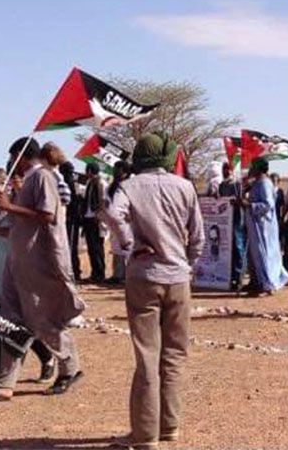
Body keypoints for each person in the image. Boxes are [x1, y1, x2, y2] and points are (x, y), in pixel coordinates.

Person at [107, 133, 204, 450]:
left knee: (148, 356)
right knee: (174, 356)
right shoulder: (185, 186)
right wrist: (186, 264)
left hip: (144, 278)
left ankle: (145, 435)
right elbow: (198, 237)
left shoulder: (130, 186)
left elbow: (113, 214)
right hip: (178, 279)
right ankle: (169, 426)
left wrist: (130, 245)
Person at [0, 139, 84, 401]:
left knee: (42, 318)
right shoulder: (27, 181)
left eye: (14, 157)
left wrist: (10, 206)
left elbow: (47, 215)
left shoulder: (42, 177)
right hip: (17, 261)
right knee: (10, 322)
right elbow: (20, 224)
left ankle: (70, 368)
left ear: (22, 155)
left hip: (36, 261)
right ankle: (5, 381)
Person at [0, 170, 56, 395]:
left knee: (19, 325)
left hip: (19, 269)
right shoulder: (3, 204)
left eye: (19, 180)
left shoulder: (27, 208)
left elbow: (22, 233)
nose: (14, 184)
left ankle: (46, 357)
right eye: (12, 180)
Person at [243, 159, 288, 296]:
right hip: (255, 225)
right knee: (254, 254)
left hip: (263, 227)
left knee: (264, 254)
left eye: (253, 167)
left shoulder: (264, 183)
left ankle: (267, 285)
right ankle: (256, 281)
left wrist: (249, 205)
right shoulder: (256, 183)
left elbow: (267, 204)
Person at [215, 164, 246, 292]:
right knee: (226, 248)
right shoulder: (221, 185)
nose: (225, 171)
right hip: (225, 222)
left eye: (228, 169)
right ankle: (228, 276)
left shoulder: (237, 184)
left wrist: (236, 202)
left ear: (232, 170)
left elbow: (242, 201)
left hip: (237, 220)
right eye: (224, 169)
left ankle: (238, 277)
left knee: (238, 247)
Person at [103, 162, 132, 286]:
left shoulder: (130, 186)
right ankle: (117, 274)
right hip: (112, 220)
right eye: (115, 169)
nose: (115, 172)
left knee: (126, 248)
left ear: (125, 173)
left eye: (118, 170)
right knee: (116, 248)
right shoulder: (110, 187)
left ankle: (127, 275)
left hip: (126, 221)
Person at [80, 162, 106, 284]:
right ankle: (94, 273)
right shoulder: (90, 183)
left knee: (97, 248)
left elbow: (102, 202)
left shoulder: (100, 183)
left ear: (90, 170)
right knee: (91, 248)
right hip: (88, 218)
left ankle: (100, 274)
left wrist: (98, 216)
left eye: (87, 170)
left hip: (96, 219)